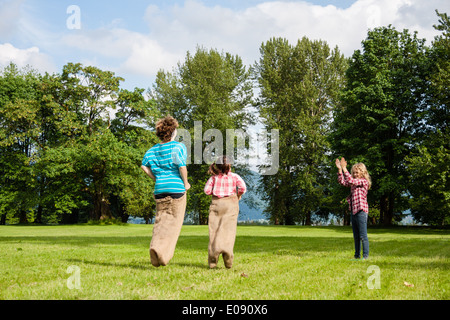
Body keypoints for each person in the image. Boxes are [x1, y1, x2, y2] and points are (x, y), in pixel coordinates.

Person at [141, 116, 190, 267]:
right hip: (176, 188)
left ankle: (155, 247)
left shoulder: (152, 150)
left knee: (160, 221)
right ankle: (163, 255)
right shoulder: (178, 147)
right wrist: (186, 183)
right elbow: (181, 166)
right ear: (173, 131)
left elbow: (144, 166)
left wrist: (156, 178)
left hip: (160, 189)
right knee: (173, 224)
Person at [204, 156, 246, 269]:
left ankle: (213, 261)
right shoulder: (235, 177)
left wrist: (215, 192)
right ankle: (228, 260)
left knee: (214, 232)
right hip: (231, 204)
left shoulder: (213, 178)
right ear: (229, 166)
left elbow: (207, 191)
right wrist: (238, 195)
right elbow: (243, 188)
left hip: (216, 204)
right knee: (229, 232)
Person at [336, 157, 371, 260]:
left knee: (362, 236)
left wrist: (344, 168)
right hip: (354, 211)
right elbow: (343, 182)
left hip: (361, 211)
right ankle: (356, 256)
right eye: (354, 173)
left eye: (357, 173)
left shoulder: (364, 182)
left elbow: (350, 180)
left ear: (363, 173)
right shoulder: (353, 183)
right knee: (356, 236)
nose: (355, 175)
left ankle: (365, 256)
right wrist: (340, 169)